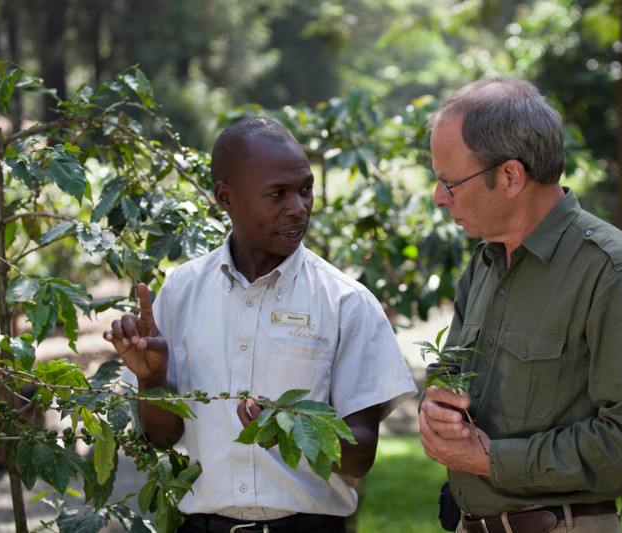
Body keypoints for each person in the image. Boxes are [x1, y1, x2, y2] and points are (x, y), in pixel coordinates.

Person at [104, 116, 417, 533]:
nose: (298, 207)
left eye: (305, 189)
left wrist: (291, 427)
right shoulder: (181, 291)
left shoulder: (346, 302)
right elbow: (163, 437)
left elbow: (362, 454)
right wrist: (152, 381)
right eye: (277, 194)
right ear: (225, 197)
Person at [418, 77, 622, 533]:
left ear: (511, 176)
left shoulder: (612, 270)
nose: (439, 198)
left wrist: (493, 460)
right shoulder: (483, 262)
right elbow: (453, 375)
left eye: (449, 182)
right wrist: (437, 407)